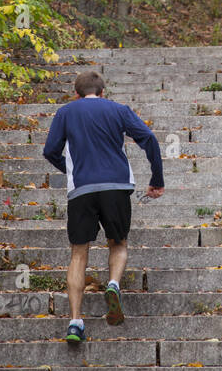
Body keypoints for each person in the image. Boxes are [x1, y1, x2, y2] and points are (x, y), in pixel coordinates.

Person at [42, 68, 164, 344]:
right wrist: (156, 178)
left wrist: (70, 170)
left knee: (78, 253)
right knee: (118, 242)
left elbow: (50, 150)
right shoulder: (119, 110)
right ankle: (113, 284)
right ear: (103, 92)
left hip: (82, 189)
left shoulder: (65, 113)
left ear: (76, 93)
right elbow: (149, 139)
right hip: (116, 186)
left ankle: (75, 322)